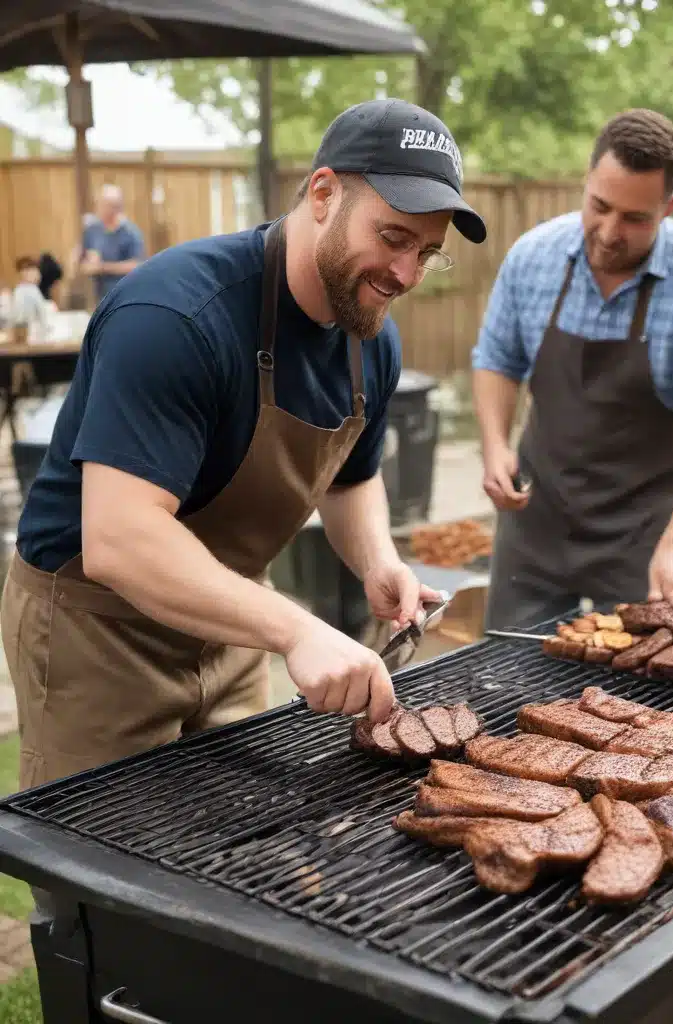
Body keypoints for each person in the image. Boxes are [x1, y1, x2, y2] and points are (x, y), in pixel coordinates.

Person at [1, 98, 487, 791]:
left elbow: (351, 479)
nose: (406, 274)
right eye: (392, 237)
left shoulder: (369, 338)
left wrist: (378, 562)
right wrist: (297, 630)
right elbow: (119, 539)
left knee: (239, 835)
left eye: (426, 254)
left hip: (234, 625)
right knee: (103, 852)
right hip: (96, 630)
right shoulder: (174, 316)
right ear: (323, 194)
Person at [471, 108, 673, 629]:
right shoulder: (532, 258)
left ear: (669, 207)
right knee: (507, 671)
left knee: (646, 681)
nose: (608, 231)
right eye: (599, 206)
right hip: (537, 523)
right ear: (587, 181)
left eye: (634, 218)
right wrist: (494, 445)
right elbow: (497, 359)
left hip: (648, 538)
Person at [72, 184, 146, 304]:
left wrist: (102, 267)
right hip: (99, 297)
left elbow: (137, 265)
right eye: (98, 204)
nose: (98, 209)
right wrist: (80, 261)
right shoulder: (93, 230)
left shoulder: (130, 233)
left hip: (124, 296)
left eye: (103, 205)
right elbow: (82, 256)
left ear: (116, 207)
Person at [9, 256, 50, 339]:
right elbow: (20, 317)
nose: (38, 274)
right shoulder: (26, 290)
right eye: (35, 270)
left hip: (33, 332)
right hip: (32, 333)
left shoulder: (25, 289)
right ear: (24, 273)